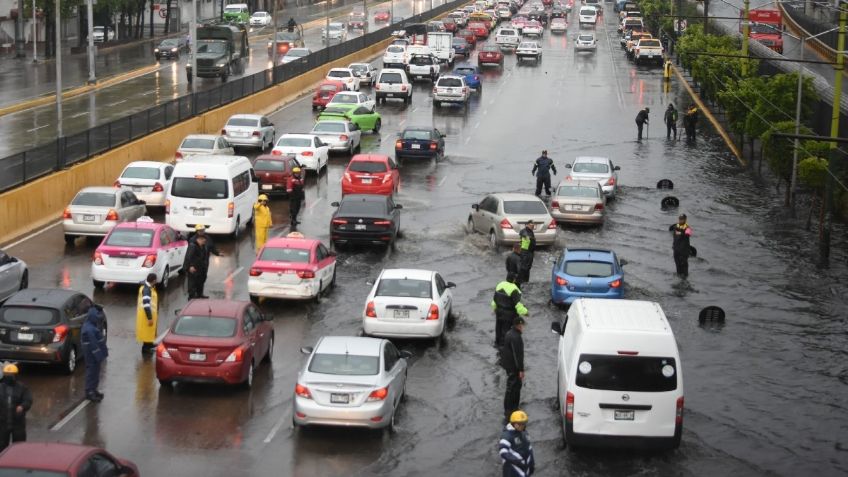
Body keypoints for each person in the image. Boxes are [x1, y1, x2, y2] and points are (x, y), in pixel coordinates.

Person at [0, 364, 32, 451]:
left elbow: (28, 400)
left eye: (11, 375)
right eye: (7, 375)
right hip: (2, 423)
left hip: (18, 423)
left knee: (19, 447)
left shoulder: (22, 388)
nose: (9, 377)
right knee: (1, 446)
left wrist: (22, 406)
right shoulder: (1, 387)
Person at [491, 273, 528, 346]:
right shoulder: (515, 289)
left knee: (498, 328)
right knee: (506, 331)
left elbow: (494, 300)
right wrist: (526, 312)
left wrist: (494, 308)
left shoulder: (500, 285)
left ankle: (497, 344)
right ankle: (504, 347)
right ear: (514, 280)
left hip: (499, 312)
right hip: (509, 315)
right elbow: (518, 305)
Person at [499, 317, 525, 422]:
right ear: (518, 325)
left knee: (510, 387)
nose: (523, 327)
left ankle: (508, 410)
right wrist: (521, 370)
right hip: (514, 367)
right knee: (514, 387)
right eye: (522, 325)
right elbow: (517, 355)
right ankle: (512, 410)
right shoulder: (516, 337)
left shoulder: (509, 333)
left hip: (508, 365)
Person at [81, 305, 108, 402]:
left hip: (93, 354)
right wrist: (99, 355)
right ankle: (90, 392)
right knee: (92, 372)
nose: (98, 317)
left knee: (95, 372)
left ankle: (93, 389)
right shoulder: (89, 329)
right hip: (91, 354)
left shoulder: (92, 325)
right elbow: (94, 344)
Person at [498, 410, 535, 477]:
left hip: (525, 467)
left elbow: (529, 448)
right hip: (513, 470)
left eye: (525, 423)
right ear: (515, 424)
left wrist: (531, 464)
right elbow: (503, 452)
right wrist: (517, 461)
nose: (524, 426)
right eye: (522, 424)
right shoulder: (506, 436)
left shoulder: (524, 433)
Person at [136, 273, 158, 354]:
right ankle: (146, 350)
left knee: (148, 332)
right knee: (146, 333)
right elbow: (146, 304)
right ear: (154, 280)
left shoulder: (147, 287)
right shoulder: (146, 290)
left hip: (146, 315)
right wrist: (150, 318)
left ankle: (149, 344)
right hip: (146, 316)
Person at [185, 233, 211, 299]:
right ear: (199, 239)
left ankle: (200, 294)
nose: (205, 240)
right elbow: (188, 257)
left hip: (201, 267)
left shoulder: (203, 246)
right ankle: (192, 297)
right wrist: (190, 266)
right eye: (203, 239)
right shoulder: (193, 246)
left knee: (201, 281)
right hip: (194, 268)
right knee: (192, 283)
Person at [668, 213, 693, 278]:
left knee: (684, 266)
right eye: (680, 219)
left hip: (684, 251)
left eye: (682, 219)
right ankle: (678, 277)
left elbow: (688, 234)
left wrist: (680, 232)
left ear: (685, 220)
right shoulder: (675, 226)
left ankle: (685, 279)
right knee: (677, 265)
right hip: (676, 250)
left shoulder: (688, 228)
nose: (681, 220)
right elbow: (670, 228)